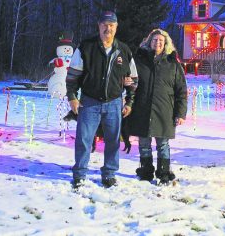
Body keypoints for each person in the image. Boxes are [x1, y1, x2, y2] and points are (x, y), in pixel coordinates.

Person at [66, 11, 137, 189]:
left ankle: (109, 174)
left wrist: (129, 101)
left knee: (113, 140)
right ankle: (80, 174)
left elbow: (133, 79)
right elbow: (72, 76)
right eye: (104, 24)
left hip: (114, 103)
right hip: (89, 101)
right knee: (84, 139)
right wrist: (72, 97)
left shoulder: (124, 50)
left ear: (116, 27)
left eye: (111, 25)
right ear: (99, 26)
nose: (108, 28)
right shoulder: (86, 47)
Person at [126, 29, 187, 184]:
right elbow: (130, 81)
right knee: (144, 143)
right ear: (149, 42)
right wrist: (125, 82)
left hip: (164, 110)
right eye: (154, 40)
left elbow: (181, 90)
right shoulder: (139, 60)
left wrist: (180, 113)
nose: (157, 43)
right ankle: (146, 172)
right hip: (142, 109)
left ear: (165, 43)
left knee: (163, 144)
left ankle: (164, 173)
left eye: (161, 40)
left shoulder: (173, 63)